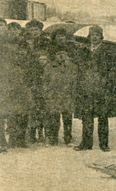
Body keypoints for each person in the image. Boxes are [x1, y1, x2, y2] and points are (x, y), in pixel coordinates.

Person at [74, 26, 116, 151]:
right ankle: (86, 143)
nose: (94, 37)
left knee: (103, 117)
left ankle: (104, 144)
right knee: (86, 117)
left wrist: (109, 84)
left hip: (102, 88)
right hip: (86, 87)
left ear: (101, 37)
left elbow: (113, 69)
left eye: (97, 35)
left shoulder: (107, 52)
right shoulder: (84, 50)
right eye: (92, 35)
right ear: (89, 37)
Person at [0, 19, 33, 149]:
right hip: (5, 83)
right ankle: (1, 140)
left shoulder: (22, 43)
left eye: (17, 30)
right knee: (3, 113)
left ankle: (18, 139)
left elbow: (29, 62)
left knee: (21, 112)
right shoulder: (2, 46)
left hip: (21, 83)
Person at [41, 49, 79, 145]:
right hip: (54, 96)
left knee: (67, 118)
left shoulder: (72, 67)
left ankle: (68, 138)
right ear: (55, 56)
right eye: (58, 53)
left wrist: (73, 94)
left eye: (63, 53)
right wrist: (47, 93)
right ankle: (53, 139)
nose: (61, 56)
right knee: (54, 118)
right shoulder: (49, 67)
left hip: (67, 96)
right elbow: (45, 82)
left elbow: (75, 83)